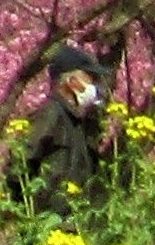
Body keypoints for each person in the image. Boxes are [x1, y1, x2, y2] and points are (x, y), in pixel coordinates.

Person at [10, 42, 116, 215]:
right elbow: (19, 164)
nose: (94, 85)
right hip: (45, 223)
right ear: (72, 82)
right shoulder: (50, 115)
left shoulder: (77, 122)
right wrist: (25, 212)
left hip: (70, 224)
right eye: (89, 78)